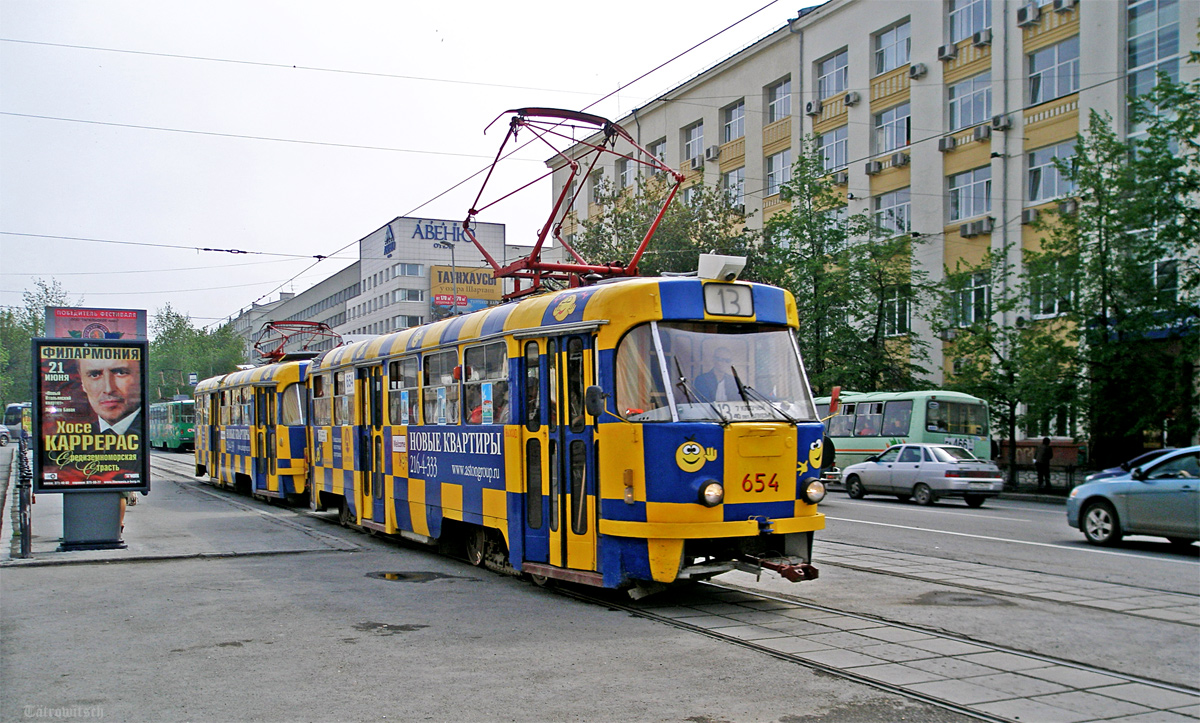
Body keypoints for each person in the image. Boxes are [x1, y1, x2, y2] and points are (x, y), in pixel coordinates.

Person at [79, 356, 142, 434]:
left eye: (121, 372)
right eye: (94, 375)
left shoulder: (150, 429)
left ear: (140, 378)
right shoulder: (74, 441)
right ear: (82, 383)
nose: (108, 389)